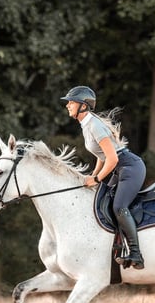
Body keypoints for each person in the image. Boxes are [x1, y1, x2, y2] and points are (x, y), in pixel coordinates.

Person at [61, 85, 146, 269]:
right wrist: (93, 175)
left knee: (119, 206)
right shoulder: (86, 124)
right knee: (102, 201)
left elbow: (113, 158)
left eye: (71, 102)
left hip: (129, 167)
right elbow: (102, 155)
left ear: (83, 105)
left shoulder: (94, 125)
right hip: (119, 168)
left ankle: (135, 254)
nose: (67, 105)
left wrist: (98, 179)